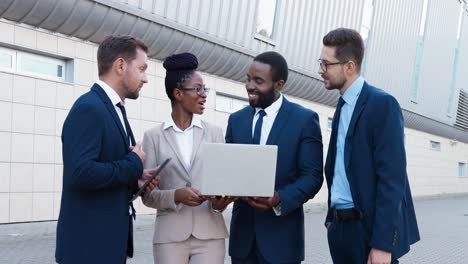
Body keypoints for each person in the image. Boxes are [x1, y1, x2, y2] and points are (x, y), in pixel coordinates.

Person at [55, 35, 159, 264]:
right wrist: (133, 164)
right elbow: (81, 173)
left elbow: (106, 168)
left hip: (108, 246)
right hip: (88, 249)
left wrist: (137, 179)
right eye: (142, 69)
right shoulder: (89, 108)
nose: (145, 79)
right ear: (120, 65)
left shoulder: (114, 109)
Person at [320, 28, 420, 264]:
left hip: (368, 232)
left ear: (349, 66)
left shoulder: (382, 104)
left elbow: (392, 179)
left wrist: (383, 244)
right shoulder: (342, 105)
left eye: (326, 64)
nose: (321, 70)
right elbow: (338, 166)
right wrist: (331, 217)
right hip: (340, 229)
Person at [226, 51, 324, 264]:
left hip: (282, 243)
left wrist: (279, 198)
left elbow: (313, 177)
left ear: (279, 85)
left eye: (258, 81)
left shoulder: (304, 120)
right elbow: (229, 172)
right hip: (242, 244)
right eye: (248, 78)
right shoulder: (236, 120)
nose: (250, 85)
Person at [141, 52, 234, 264]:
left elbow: (222, 184)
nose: (204, 95)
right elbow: (147, 196)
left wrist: (220, 203)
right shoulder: (153, 137)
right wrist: (176, 195)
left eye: (205, 89)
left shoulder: (215, 133)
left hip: (210, 233)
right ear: (178, 93)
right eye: (198, 89)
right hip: (170, 236)